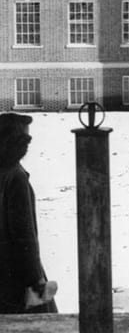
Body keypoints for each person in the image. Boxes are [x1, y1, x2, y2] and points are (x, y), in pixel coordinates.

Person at [0, 113, 56, 314]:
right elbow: (25, 237)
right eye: (26, 140)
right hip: (20, 280)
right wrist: (36, 283)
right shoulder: (16, 178)